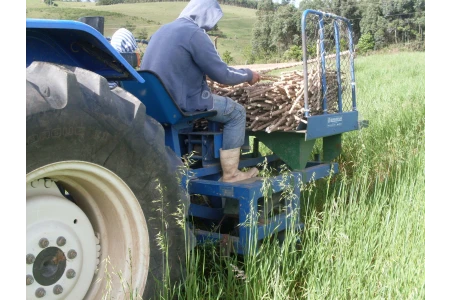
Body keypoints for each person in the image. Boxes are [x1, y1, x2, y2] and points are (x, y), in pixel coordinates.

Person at [140, 0, 260, 182]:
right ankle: (231, 174)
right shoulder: (194, 33)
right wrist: (248, 74)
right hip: (179, 103)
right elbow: (224, 75)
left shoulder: (163, 30)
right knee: (236, 112)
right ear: (205, 14)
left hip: (155, 103)